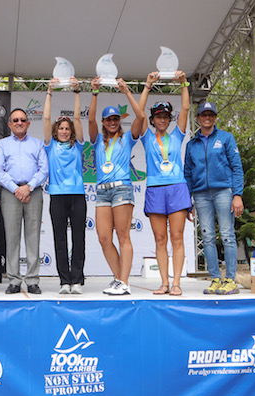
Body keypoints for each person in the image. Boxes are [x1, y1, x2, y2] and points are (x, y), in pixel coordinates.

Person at [89, 78, 145, 296]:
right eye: (108, 119)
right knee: (104, 238)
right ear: (104, 122)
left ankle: (124, 281)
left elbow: (140, 116)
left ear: (119, 121)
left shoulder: (127, 139)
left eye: (115, 119)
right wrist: (94, 93)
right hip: (102, 190)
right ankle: (118, 279)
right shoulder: (96, 142)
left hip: (122, 189)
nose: (112, 122)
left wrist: (127, 92)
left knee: (123, 236)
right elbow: (90, 121)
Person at [138, 71, 191, 296]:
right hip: (155, 189)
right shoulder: (147, 137)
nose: (162, 119)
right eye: (158, 116)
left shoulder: (177, 135)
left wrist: (184, 84)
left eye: (165, 116)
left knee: (177, 237)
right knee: (160, 239)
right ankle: (164, 283)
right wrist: (148, 85)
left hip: (177, 187)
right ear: (152, 119)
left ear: (169, 119)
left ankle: (176, 282)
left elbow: (186, 108)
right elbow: (138, 112)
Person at [184, 101, 244, 295]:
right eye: (203, 115)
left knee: (227, 235)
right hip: (201, 194)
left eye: (211, 114)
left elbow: (236, 167)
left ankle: (231, 280)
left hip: (223, 192)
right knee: (207, 236)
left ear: (215, 117)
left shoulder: (226, 138)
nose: (207, 118)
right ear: (198, 118)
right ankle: (215, 279)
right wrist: (188, 201)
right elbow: (188, 174)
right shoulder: (192, 144)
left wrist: (237, 195)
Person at [0, 108, 49, 294]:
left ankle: (32, 280)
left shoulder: (38, 144)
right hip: (10, 193)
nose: (19, 122)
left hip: (33, 192)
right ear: (9, 124)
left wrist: (29, 187)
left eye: (23, 120)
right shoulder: (2, 145)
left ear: (28, 123)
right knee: (12, 238)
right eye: (15, 120)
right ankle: (14, 280)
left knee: (33, 237)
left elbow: (43, 170)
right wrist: (16, 189)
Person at [43, 77, 86, 294]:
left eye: (67, 128)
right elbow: (47, 116)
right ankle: (64, 281)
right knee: (60, 239)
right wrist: (49, 92)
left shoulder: (77, 146)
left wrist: (77, 92)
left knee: (78, 238)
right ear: (55, 131)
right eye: (61, 128)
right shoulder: (50, 147)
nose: (65, 131)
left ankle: (77, 280)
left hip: (77, 196)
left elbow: (78, 117)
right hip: (57, 196)